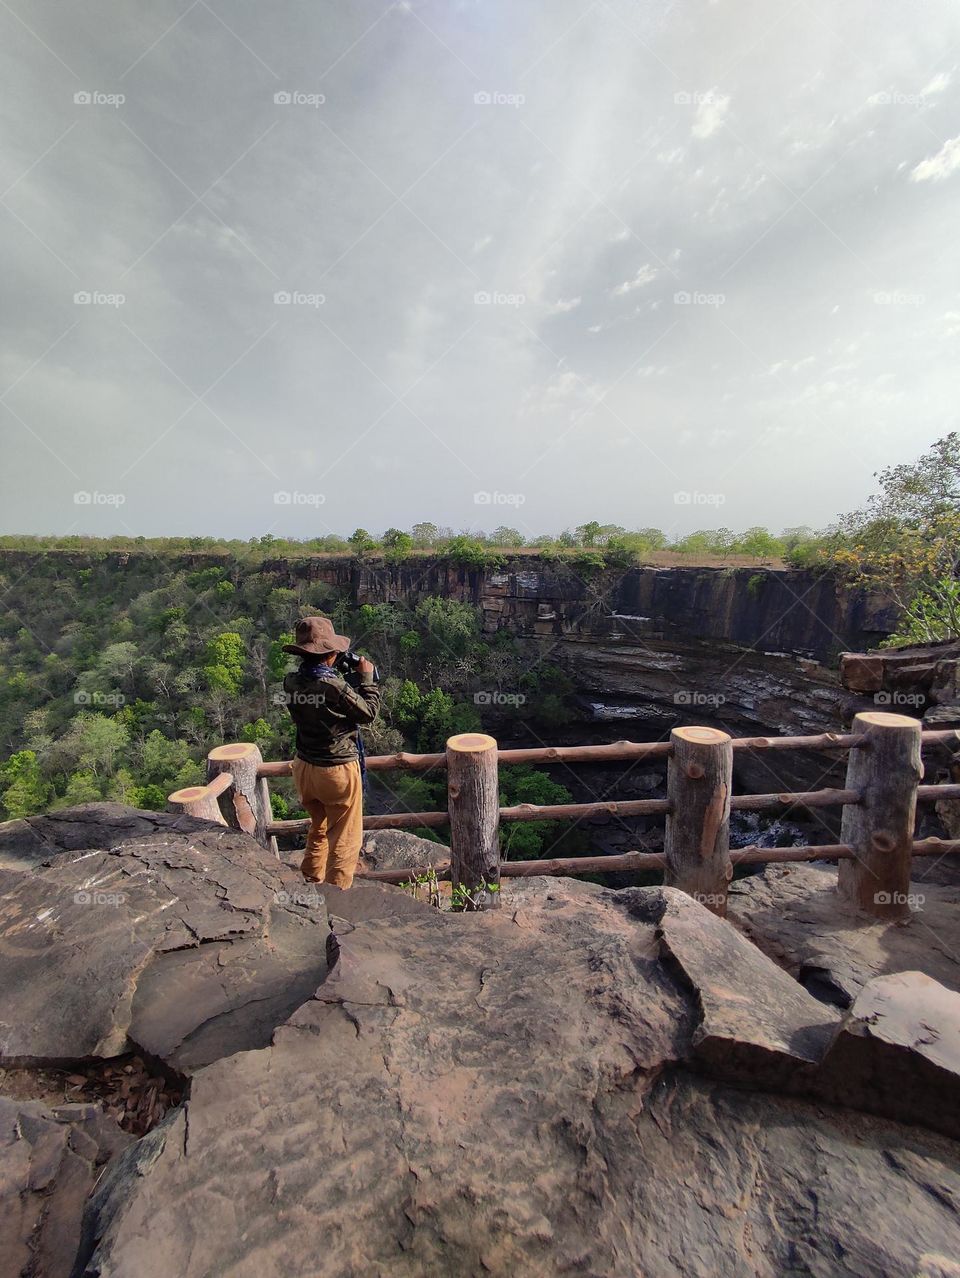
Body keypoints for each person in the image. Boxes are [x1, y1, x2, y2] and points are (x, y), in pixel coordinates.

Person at [281, 616, 381, 889]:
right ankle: (336, 897)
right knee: (344, 837)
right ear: (330, 654)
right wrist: (367, 678)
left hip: (304, 767)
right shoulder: (334, 686)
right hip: (336, 770)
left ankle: (310, 881)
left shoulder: (290, 682)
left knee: (319, 828)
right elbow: (368, 713)